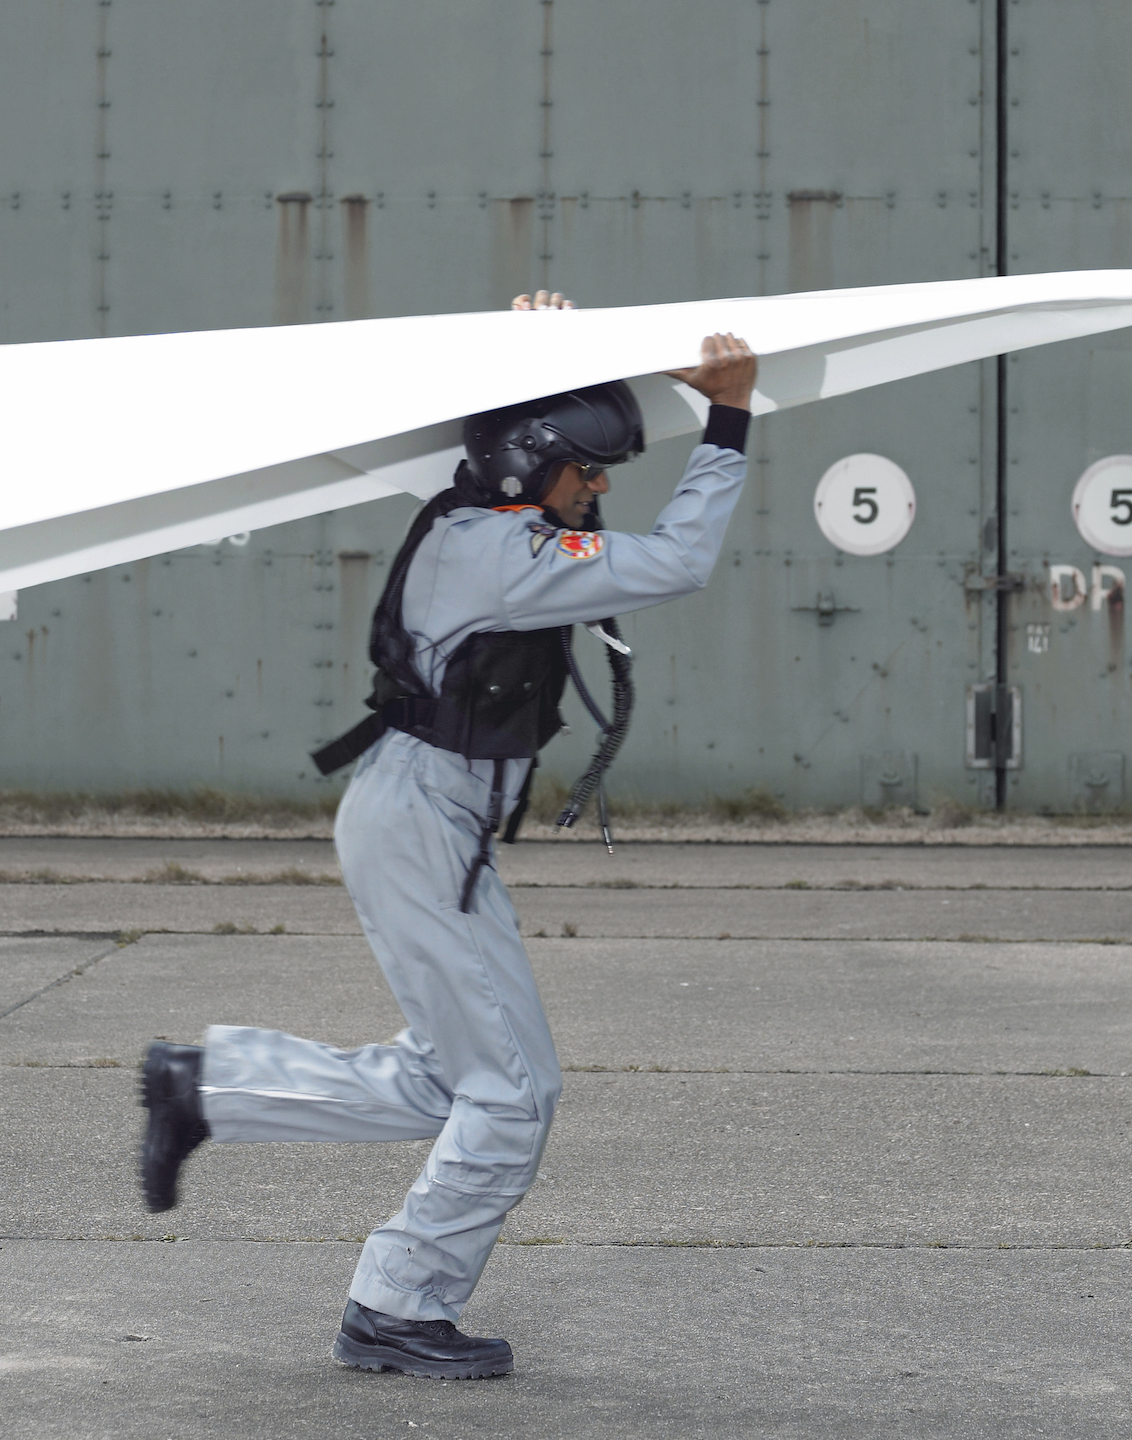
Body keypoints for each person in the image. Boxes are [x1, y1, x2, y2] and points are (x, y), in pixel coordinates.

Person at [135, 291, 759, 1380]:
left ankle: (209, 1086)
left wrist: (546, 345)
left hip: (427, 821)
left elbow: (573, 515)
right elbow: (675, 562)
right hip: (421, 822)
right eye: (587, 467)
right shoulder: (495, 553)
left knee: (449, 1082)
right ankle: (397, 1304)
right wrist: (730, 423)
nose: (599, 487)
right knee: (510, 1097)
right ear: (526, 465)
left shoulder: (497, 525)